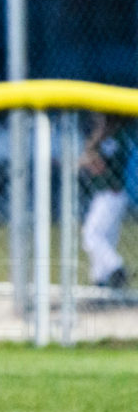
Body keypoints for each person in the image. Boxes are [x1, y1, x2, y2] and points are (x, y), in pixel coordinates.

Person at [80, 113, 133, 288]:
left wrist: (89, 157)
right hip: (108, 193)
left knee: (91, 235)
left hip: (111, 193)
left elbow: (99, 166)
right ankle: (100, 281)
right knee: (105, 237)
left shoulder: (114, 138)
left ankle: (116, 268)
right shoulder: (112, 138)